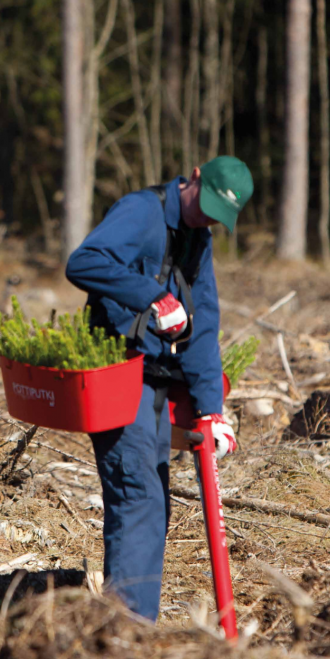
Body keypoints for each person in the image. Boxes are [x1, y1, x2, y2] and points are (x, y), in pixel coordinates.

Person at [65, 156, 253, 621]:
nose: (206, 218)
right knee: (137, 494)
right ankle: (127, 632)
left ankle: (127, 621)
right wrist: (151, 296)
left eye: (216, 216)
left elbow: (204, 323)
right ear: (193, 177)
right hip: (116, 373)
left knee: (153, 501)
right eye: (205, 205)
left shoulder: (199, 239)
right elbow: (83, 261)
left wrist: (212, 409)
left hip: (157, 386)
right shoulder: (144, 211)